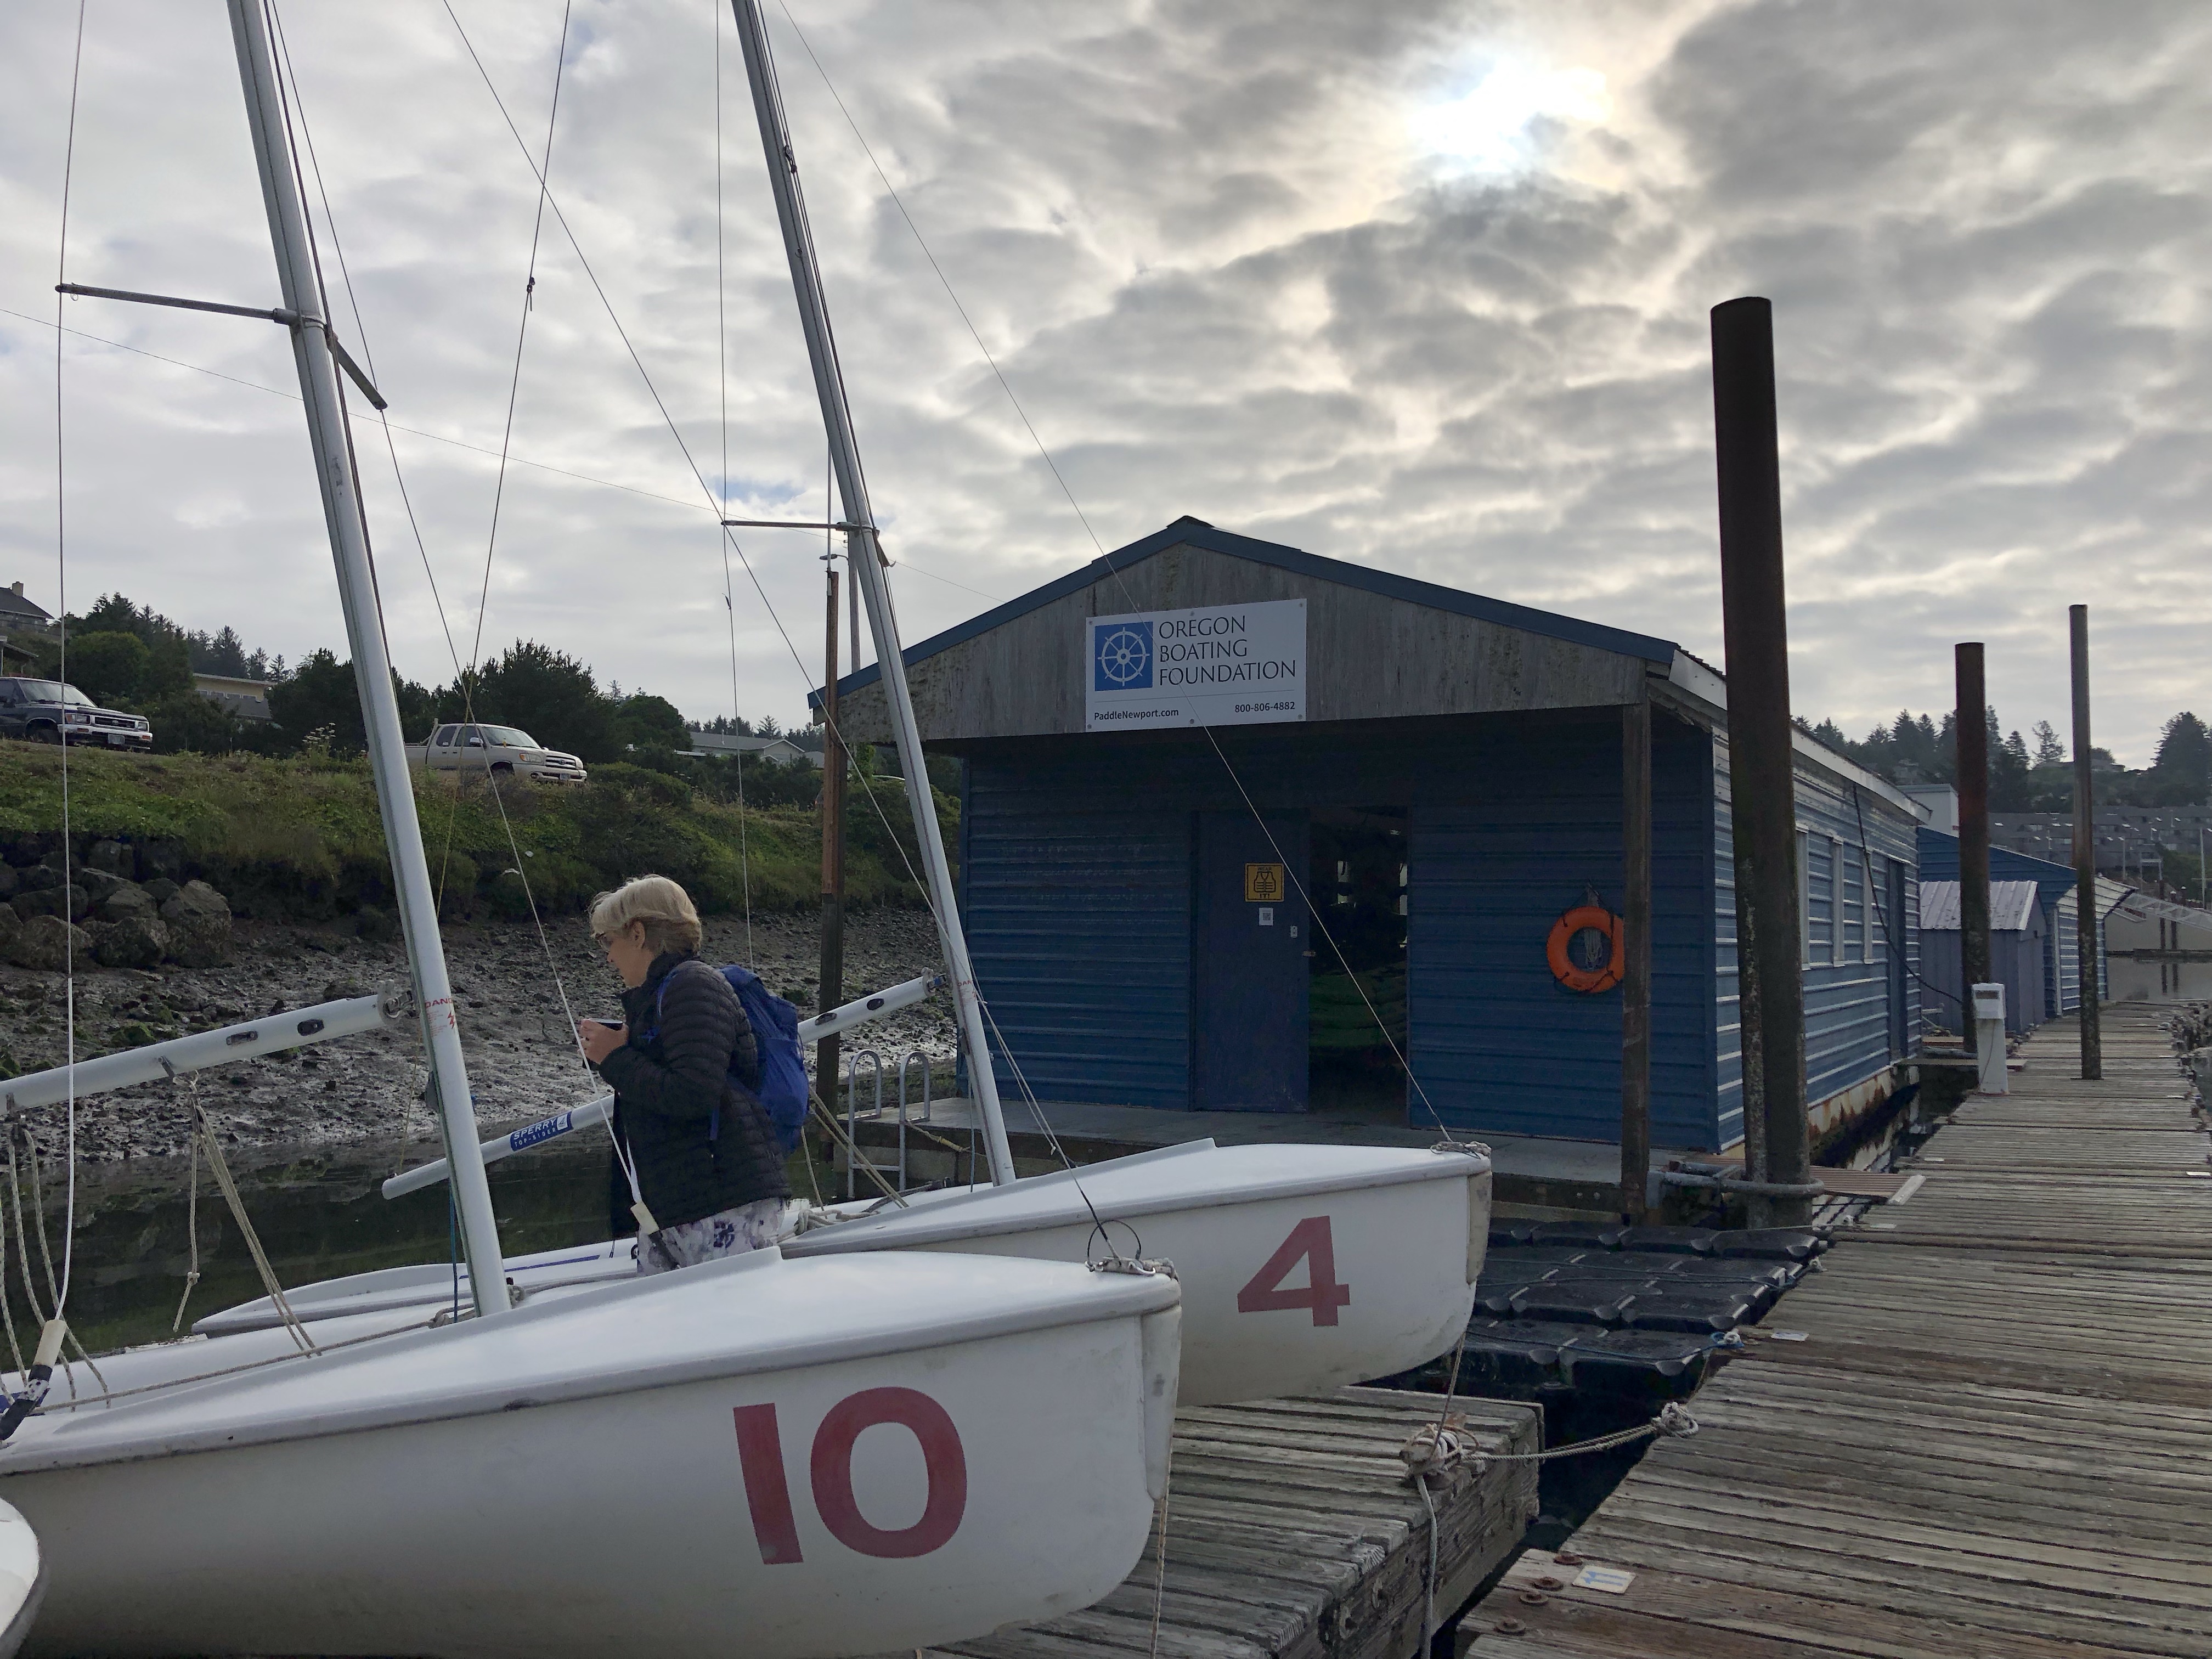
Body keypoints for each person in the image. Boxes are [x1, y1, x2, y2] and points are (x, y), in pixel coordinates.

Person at [576, 874, 790, 1274]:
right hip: (683, 1203)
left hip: (720, 1199)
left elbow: (693, 1092)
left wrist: (616, 1058)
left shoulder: (693, 985)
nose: (608, 957)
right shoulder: (665, 994)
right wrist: (619, 1052)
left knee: (727, 1310)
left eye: (608, 941)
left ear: (638, 934)